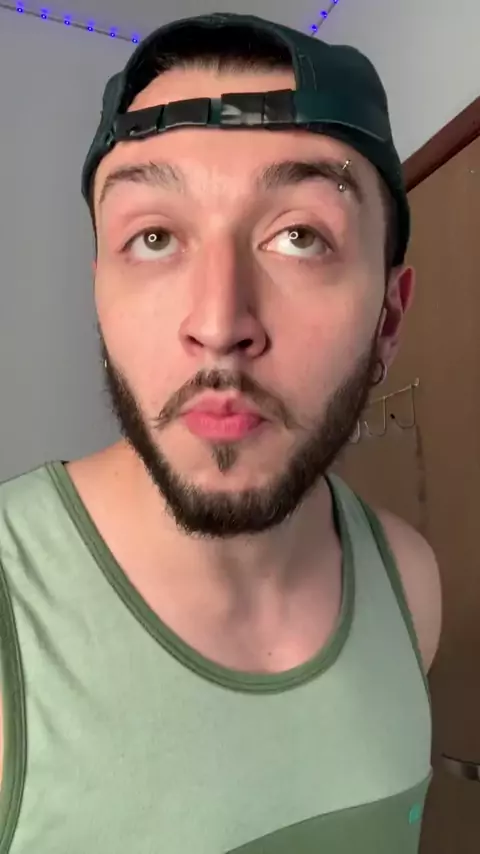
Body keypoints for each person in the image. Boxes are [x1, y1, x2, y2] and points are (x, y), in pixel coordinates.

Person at [0, 12, 442, 853]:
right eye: (153, 237)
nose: (217, 321)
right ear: (100, 295)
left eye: (299, 236)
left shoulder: (412, 586)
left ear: (388, 318)